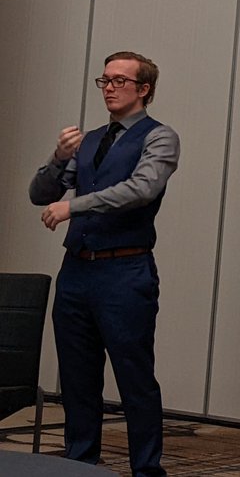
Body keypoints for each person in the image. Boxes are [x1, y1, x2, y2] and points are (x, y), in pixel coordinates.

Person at [29, 51, 180, 477]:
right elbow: (40, 194)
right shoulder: (92, 138)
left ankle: (146, 470)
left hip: (124, 273)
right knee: (77, 379)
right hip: (77, 272)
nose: (109, 88)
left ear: (144, 89)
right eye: (104, 81)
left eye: (119, 81)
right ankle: (81, 465)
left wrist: (74, 207)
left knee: (134, 378)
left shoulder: (159, 138)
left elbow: (140, 189)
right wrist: (59, 157)